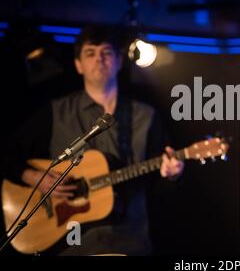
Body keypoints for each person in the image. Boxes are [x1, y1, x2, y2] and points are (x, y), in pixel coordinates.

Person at [1, 26, 184, 255]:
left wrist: (173, 175)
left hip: (129, 243)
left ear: (119, 61)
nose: (99, 59)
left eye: (106, 53)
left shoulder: (146, 116)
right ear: (78, 64)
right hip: (71, 245)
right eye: (90, 53)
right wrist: (35, 177)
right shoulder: (56, 112)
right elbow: (5, 154)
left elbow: (162, 189)